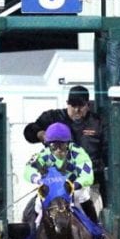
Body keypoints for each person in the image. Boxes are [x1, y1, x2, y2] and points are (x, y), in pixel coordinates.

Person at [23, 85, 108, 220]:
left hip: (86, 185)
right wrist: (41, 134)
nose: (77, 110)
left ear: (88, 105)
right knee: (32, 211)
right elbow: (29, 131)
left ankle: (97, 236)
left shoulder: (98, 123)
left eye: (81, 106)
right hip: (54, 183)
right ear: (67, 104)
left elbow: (107, 153)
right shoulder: (53, 117)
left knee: (93, 212)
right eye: (73, 105)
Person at [24, 121, 99, 227]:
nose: (58, 150)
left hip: (72, 188)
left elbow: (87, 175)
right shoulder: (44, 154)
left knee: (83, 196)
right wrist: (38, 179)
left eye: (62, 145)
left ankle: (97, 231)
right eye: (54, 146)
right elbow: (29, 169)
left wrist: (74, 185)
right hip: (52, 190)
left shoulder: (79, 153)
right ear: (49, 145)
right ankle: (34, 233)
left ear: (68, 144)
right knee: (38, 204)